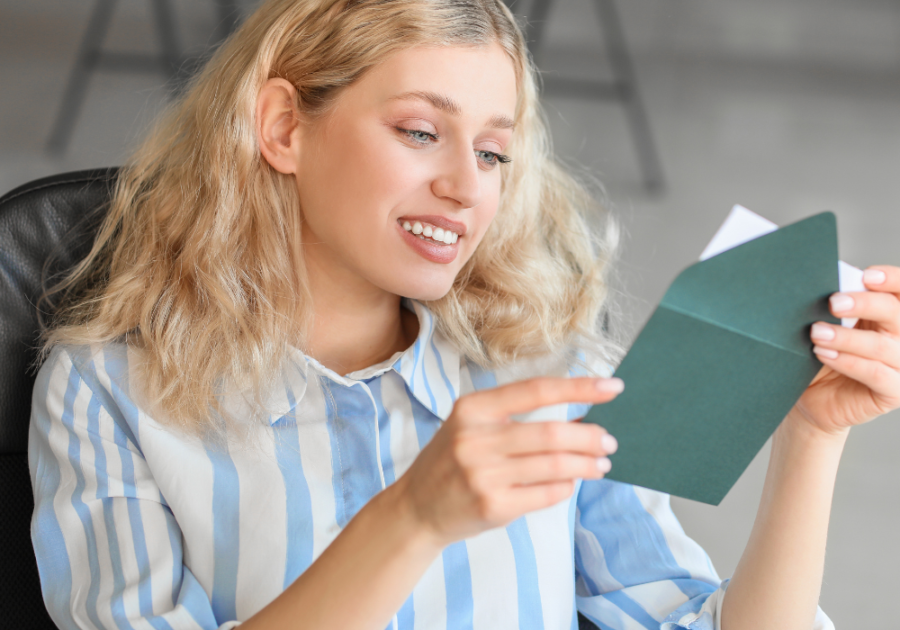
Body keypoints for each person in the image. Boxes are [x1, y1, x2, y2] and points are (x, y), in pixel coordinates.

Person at [27, 0, 900, 628]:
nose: (464, 186)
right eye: (418, 131)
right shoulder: (107, 392)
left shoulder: (543, 364)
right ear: (284, 127)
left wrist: (810, 441)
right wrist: (412, 519)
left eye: (492, 151)